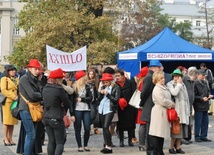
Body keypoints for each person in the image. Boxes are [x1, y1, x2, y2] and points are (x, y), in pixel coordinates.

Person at [42, 68, 75, 155]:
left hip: (46, 117)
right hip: (56, 117)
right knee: (60, 142)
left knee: (51, 141)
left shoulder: (45, 88)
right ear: (58, 79)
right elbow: (67, 103)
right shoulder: (59, 90)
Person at [18, 59, 43, 155]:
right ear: (30, 69)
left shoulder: (36, 79)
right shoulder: (24, 78)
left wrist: (40, 94)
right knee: (31, 134)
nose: (37, 71)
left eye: (38, 69)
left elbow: (37, 94)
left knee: (33, 134)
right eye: (35, 69)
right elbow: (32, 95)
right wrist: (42, 94)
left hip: (34, 108)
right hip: (26, 108)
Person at [149, 71, 175, 155]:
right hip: (159, 112)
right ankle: (157, 151)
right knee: (157, 132)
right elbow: (162, 101)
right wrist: (171, 103)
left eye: (163, 78)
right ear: (157, 79)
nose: (163, 79)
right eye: (161, 78)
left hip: (164, 111)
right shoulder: (157, 88)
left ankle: (159, 150)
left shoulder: (163, 87)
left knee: (161, 133)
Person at [139, 59, 162, 155]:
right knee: (149, 131)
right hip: (149, 107)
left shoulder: (151, 76)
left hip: (151, 106)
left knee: (152, 130)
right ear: (153, 68)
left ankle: (154, 150)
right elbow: (143, 92)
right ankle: (150, 150)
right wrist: (142, 103)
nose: (159, 69)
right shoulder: (149, 77)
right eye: (158, 67)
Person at [167, 69, 190, 154]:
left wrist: (188, 110)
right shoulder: (170, 84)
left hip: (183, 111)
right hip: (176, 111)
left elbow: (186, 98)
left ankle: (178, 147)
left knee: (181, 131)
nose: (177, 78)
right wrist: (179, 84)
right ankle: (171, 147)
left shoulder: (183, 85)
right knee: (175, 131)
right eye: (176, 76)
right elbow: (174, 93)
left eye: (179, 76)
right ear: (173, 76)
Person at [98, 73, 120, 154]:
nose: (105, 83)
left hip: (110, 109)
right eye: (104, 82)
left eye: (107, 82)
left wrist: (107, 94)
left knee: (106, 126)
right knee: (104, 128)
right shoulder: (103, 87)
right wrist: (100, 93)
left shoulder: (116, 88)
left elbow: (116, 100)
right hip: (102, 108)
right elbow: (99, 99)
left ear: (111, 81)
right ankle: (107, 145)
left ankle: (109, 146)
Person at [115, 68, 136, 147]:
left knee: (131, 125)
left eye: (118, 76)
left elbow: (134, 93)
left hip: (130, 106)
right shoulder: (115, 85)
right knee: (120, 125)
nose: (117, 77)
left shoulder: (130, 82)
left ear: (123, 76)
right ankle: (121, 141)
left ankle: (130, 140)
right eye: (116, 76)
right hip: (120, 107)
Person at [73, 70, 92, 152]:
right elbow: (71, 100)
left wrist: (82, 99)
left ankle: (86, 144)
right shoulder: (74, 87)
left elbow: (90, 98)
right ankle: (79, 145)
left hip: (86, 109)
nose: (86, 78)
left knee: (87, 128)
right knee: (78, 128)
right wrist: (71, 113)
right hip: (77, 109)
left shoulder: (87, 86)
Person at [1, 65, 19, 146]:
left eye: (14, 70)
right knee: (7, 121)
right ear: (8, 71)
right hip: (8, 102)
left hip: (15, 102)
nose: (13, 71)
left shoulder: (16, 79)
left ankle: (10, 138)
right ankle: (5, 138)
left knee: (12, 121)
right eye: (12, 70)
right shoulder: (4, 79)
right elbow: (3, 90)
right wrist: (13, 96)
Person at [194, 69, 213, 142]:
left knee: (206, 121)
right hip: (198, 105)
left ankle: (204, 136)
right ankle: (197, 136)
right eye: (202, 75)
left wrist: (209, 95)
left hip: (205, 105)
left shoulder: (205, 82)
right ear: (198, 74)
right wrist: (201, 98)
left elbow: (207, 91)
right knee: (198, 122)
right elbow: (194, 95)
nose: (204, 77)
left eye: (204, 75)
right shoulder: (195, 83)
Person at [182, 67, 199, 144]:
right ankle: (183, 137)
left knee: (189, 120)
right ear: (193, 74)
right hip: (184, 104)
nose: (196, 78)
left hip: (190, 103)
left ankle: (187, 137)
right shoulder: (185, 79)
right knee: (185, 121)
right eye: (196, 76)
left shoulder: (193, 81)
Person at [135, 66, 149, 151]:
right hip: (143, 105)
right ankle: (142, 143)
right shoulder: (144, 82)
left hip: (140, 106)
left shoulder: (140, 81)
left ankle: (141, 143)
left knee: (142, 125)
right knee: (143, 125)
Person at [87, 68, 100, 135]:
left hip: (95, 100)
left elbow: (97, 91)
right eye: (90, 74)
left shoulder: (96, 82)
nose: (91, 75)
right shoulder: (86, 82)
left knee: (95, 115)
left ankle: (95, 128)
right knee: (91, 114)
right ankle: (88, 129)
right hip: (89, 100)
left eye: (92, 74)